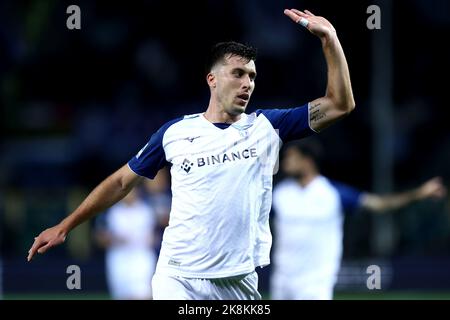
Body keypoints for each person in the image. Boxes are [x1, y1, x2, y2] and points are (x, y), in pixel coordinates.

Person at [27, 8, 356, 300]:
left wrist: (330, 40)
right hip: (178, 277)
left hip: (238, 280)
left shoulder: (269, 126)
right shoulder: (174, 133)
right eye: (238, 74)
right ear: (212, 79)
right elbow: (121, 182)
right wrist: (66, 225)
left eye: (252, 76)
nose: (247, 84)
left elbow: (340, 105)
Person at [270, 139, 447, 300]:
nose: (285, 162)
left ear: (307, 161)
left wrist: (419, 193)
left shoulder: (334, 193)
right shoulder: (279, 194)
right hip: (281, 280)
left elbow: (379, 204)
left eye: (291, 157)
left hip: (315, 283)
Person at [94, 171, 170, 300]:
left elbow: (161, 229)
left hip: (141, 258)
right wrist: (113, 239)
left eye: (131, 189)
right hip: (118, 259)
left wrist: (153, 239)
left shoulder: (148, 208)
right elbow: (99, 237)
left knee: (143, 294)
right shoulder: (110, 212)